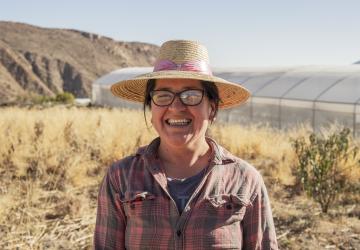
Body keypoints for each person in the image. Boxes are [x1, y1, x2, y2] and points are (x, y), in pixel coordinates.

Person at [94, 40, 278, 249]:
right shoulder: (121, 177)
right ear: (151, 108)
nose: (176, 107)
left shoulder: (245, 180)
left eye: (191, 95)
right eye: (163, 96)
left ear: (212, 108)